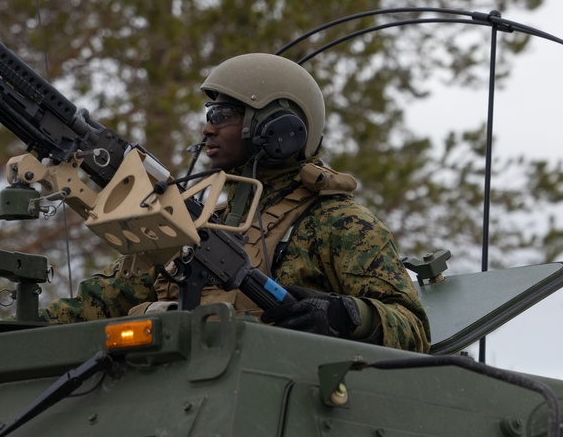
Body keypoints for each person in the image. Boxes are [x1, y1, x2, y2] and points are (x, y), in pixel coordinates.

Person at [41, 53, 431, 353]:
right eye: (210, 114)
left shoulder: (338, 224)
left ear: (278, 129)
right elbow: (95, 306)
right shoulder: (198, 224)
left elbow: (414, 330)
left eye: (223, 115)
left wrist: (344, 314)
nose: (207, 127)